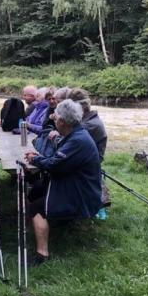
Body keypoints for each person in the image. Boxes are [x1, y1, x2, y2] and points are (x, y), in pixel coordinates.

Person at [24, 99, 102, 265]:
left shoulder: (77, 140)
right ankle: (45, 227)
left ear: (62, 122)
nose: (53, 119)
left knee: (36, 208)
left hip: (81, 194)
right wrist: (39, 158)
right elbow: (59, 160)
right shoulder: (76, 134)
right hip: (75, 184)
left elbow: (54, 165)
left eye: (55, 117)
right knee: (36, 189)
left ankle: (42, 254)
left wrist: (35, 159)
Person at [68, 88, 107, 162]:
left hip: (87, 164)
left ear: (79, 107)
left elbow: (65, 142)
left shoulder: (89, 125)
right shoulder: (89, 119)